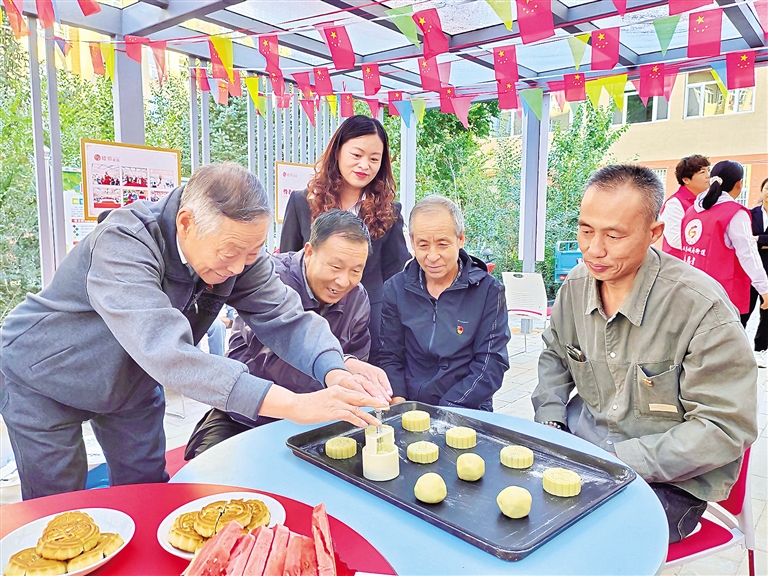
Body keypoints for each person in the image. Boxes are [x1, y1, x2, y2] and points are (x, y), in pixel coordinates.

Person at [0, 162, 388, 500]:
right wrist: (295, 405)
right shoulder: (124, 243)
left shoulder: (239, 253)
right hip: (45, 378)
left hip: (131, 384)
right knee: (61, 509)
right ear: (186, 222)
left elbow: (287, 317)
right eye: (230, 252)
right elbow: (167, 351)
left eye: (252, 253)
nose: (239, 267)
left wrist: (334, 369)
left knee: (147, 488)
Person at [532, 164, 757, 544]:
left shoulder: (700, 308)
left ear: (654, 234)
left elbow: (725, 426)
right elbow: (555, 355)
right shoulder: (575, 285)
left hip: (669, 480)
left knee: (587, 540)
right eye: (586, 230)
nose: (594, 249)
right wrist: (552, 423)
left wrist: (620, 460)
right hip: (581, 451)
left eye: (614, 235)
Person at [185, 209, 390, 459]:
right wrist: (340, 366)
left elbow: (355, 353)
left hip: (318, 421)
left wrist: (357, 370)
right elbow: (270, 352)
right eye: (335, 266)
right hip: (245, 416)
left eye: (356, 271)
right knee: (208, 477)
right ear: (310, 251)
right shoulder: (269, 279)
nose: (343, 281)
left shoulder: (357, 298)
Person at [280, 115, 410, 365]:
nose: (365, 165)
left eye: (374, 159)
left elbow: (396, 275)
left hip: (367, 322)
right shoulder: (302, 202)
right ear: (338, 151)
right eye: (357, 155)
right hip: (308, 318)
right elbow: (287, 263)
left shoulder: (389, 211)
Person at [379, 195, 511, 410]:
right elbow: (390, 355)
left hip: (467, 405)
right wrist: (399, 402)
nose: (432, 256)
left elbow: (490, 364)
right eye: (423, 245)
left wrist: (447, 409)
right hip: (410, 404)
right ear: (411, 242)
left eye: (442, 244)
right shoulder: (395, 288)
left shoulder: (488, 291)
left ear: (460, 239)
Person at [681, 160, 768, 326]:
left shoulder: (692, 211)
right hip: (724, 295)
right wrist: (764, 288)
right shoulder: (734, 213)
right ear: (739, 183)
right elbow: (748, 253)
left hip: (693, 290)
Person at [659, 155, 710, 259]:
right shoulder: (674, 204)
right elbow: (675, 239)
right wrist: (710, 243)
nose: (708, 176)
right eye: (702, 172)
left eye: (708, 170)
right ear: (686, 180)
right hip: (679, 267)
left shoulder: (705, 201)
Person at [748, 177, 768, 367]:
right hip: (751, 270)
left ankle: (759, 350)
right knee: (744, 310)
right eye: (767, 188)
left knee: (767, 313)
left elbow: (753, 239)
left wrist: (759, 239)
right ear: (761, 191)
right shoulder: (749, 214)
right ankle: (737, 350)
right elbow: (745, 238)